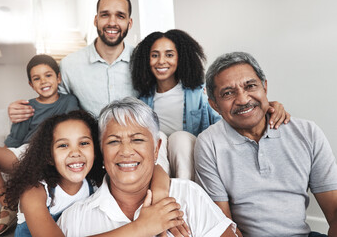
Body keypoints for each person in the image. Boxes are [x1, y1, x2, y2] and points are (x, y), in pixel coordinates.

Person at [194, 51, 337, 237]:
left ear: (265, 88)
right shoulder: (208, 144)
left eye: (250, 86)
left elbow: (334, 211)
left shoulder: (307, 132)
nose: (243, 99)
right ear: (214, 104)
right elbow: (223, 227)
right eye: (228, 93)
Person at [58, 97, 238, 237]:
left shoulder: (188, 195)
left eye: (137, 139)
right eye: (114, 141)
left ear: (156, 149)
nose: (126, 151)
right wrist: (141, 228)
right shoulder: (75, 217)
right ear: (101, 153)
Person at [131, 29, 290, 180]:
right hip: (160, 163)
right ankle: (159, 194)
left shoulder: (199, 93)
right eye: (154, 55)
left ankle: (186, 192)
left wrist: (267, 107)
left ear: (181, 58)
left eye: (169, 55)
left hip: (190, 161)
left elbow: (227, 117)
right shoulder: (142, 101)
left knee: (179, 138)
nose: (161, 61)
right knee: (157, 137)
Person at [0, 54, 79, 236]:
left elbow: (71, 130)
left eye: (48, 75)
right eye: (36, 78)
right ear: (31, 84)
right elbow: (14, 141)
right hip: (24, 152)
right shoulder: (25, 106)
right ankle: (9, 205)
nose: (43, 81)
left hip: (51, 152)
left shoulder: (69, 101)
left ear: (58, 78)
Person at [7, 0, 136, 121]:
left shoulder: (142, 60)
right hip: (89, 141)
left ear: (129, 23)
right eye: (105, 15)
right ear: (96, 20)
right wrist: (21, 111)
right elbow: (52, 103)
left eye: (120, 16)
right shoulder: (69, 65)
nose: (112, 23)